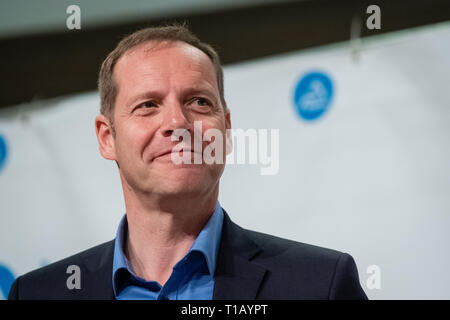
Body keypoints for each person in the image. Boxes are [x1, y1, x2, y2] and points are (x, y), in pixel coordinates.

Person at [8, 24, 367, 300]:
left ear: (225, 130)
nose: (178, 123)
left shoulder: (320, 285)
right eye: (148, 105)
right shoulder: (40, 293)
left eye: (198, 102)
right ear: (107, 137)